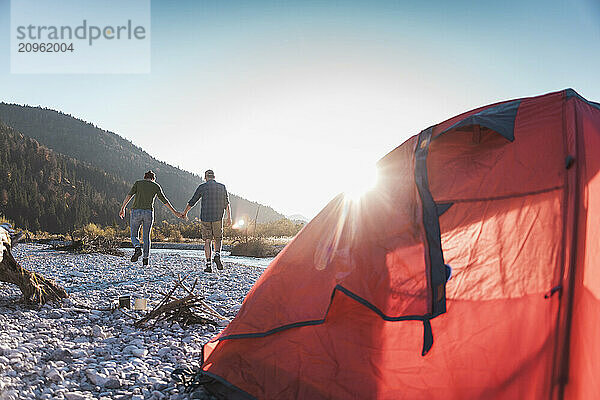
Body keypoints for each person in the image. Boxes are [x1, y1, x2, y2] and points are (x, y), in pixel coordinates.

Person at [119, 170, 181, 265]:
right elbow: (164, 200)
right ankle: (145, 260)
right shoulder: (155, 186)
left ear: (145, 177)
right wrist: (174, 212)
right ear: (153, 178)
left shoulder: (138, 183)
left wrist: (123, 208)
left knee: (134, 235)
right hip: (148, 212)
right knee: (146, 237)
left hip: (136, 211)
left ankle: (137, 247)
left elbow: (129, 195)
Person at [181, 169, 232, 272]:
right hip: (218, 217)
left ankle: (208, 266)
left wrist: (185, 213)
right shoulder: (222, 187)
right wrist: (229, 217)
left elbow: (193, 201)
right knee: (218, 238)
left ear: (205, 177)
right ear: (214, 176)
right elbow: (226, 203)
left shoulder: (202, 187)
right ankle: (217, 255)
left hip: (205, 217)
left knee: (207, 241)